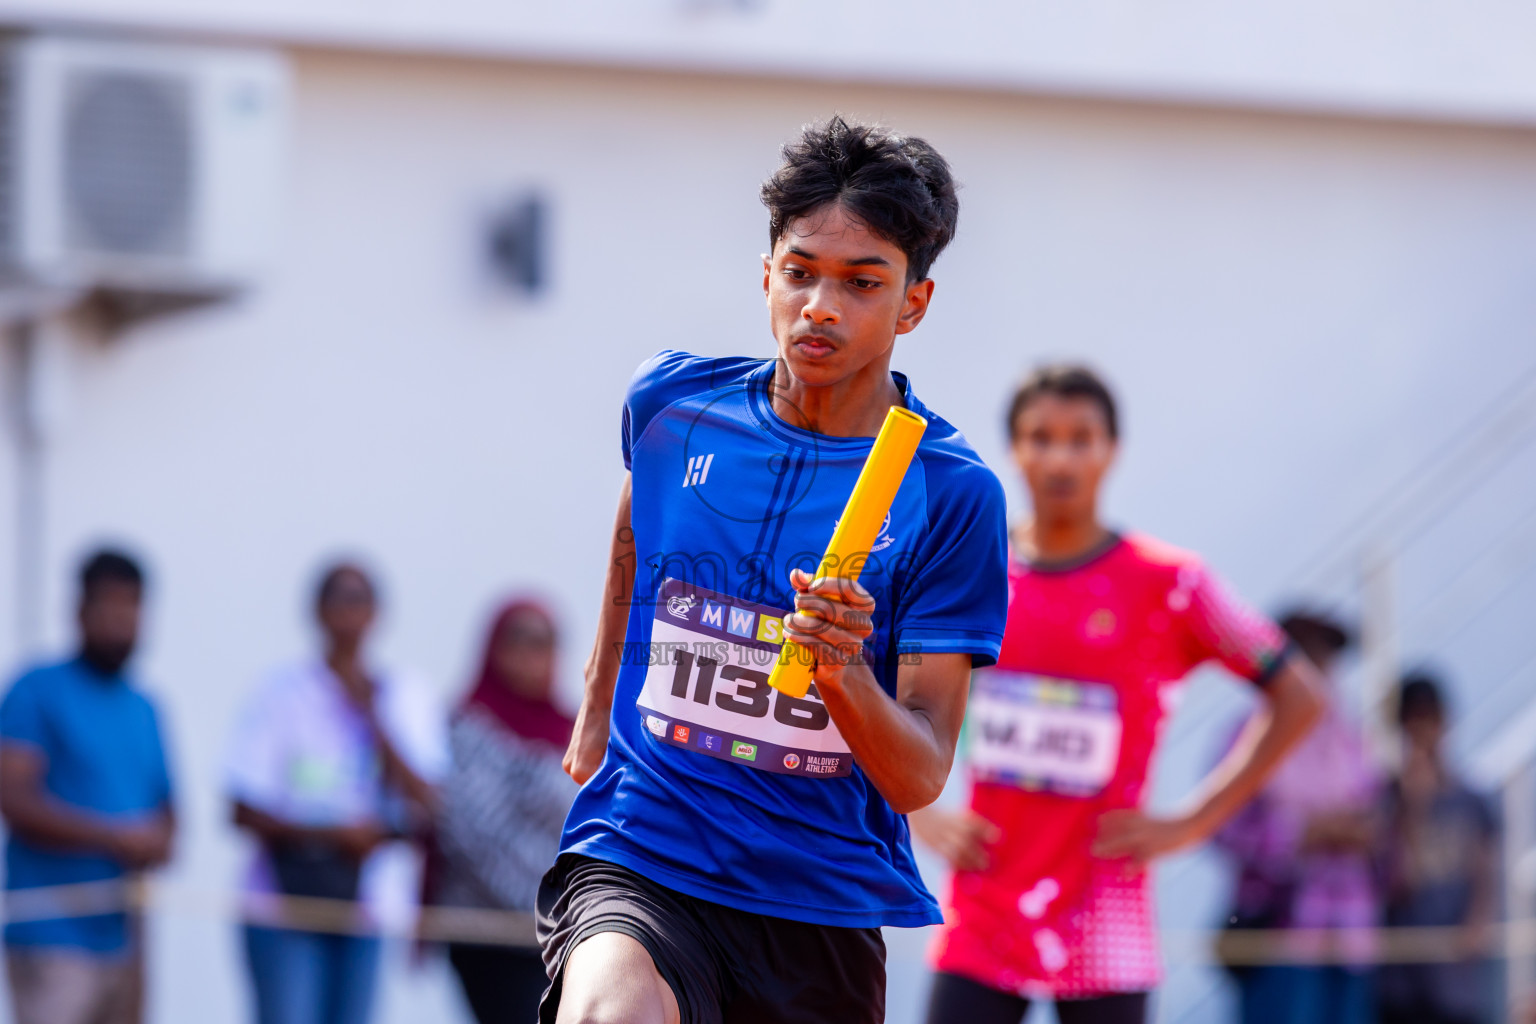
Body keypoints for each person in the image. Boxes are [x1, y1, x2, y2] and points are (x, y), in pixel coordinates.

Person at [542, 116, 1010, 1024]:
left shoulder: (951, 494)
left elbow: (918, 775)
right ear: (766, 275)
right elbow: (639, 519)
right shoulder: (671, 404)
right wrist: (599, 696)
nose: (821, 306)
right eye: (800, 273)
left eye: (862, 283)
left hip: (817, 902)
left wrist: (841, 675)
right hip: (644, 845)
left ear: (912, 303)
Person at [911, 365, 1326, 1024]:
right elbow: (878, 683)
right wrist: (917, 810)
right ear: (1014, 450)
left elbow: (1301, 695)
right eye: (1041, 437)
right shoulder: (970, 571)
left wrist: (1194, 818)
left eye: (1082, 438)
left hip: (1106, 920)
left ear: (1113, 450)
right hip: (982, 915)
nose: (1061, 457)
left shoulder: (1170, 585)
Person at [225, 562, 446, 1024]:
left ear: (377, 614)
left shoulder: (402, 695)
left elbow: (428, 804)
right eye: (338, 599)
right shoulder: (279, 693)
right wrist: (333, 835)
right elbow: (242, 808)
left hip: (367, 909)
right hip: (283, 905)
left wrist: (371, 715)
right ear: (316, 611)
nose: (349, 614)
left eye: (359, 600)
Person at [0, 548, 176, 1024]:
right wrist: (111, 837)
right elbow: (12, 797)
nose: (122, 621)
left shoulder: (145, 707)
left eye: (133, 608)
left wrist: (155, 843)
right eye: (110, 607)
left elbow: (167, 813)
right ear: (80, 610)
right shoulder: (36, 689)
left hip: (125, 937)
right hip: (51, 934)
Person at [1214, 611, 1380, 1024]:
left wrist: (1361, 833)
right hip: (1280, 933)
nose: (1321, 668)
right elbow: (1222, 825)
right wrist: (1299, 836)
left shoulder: (1348, 737)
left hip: (1349, 935)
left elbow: (1376, 812)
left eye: (1326, 658)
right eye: (1309, 655)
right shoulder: (1249, 735)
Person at [428, 598, 577, 1024]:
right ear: (495, 649)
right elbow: (476, 835)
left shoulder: (573, 729)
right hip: (491, 936)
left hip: (560, 938)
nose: (534, 657)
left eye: (545, 643)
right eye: (521, 642)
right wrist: (553, 908)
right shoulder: (471, 729)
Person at [1376, 672, 1499, 1024]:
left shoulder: (1473, 801)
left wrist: (1477, 924)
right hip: (1401, 983)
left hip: (1458, 981)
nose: (1423, 732)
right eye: (1413, 722)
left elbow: (1485, 872)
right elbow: (1399, 883)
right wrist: (1414, 808)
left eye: (1430, 719)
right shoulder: (1386, 800)